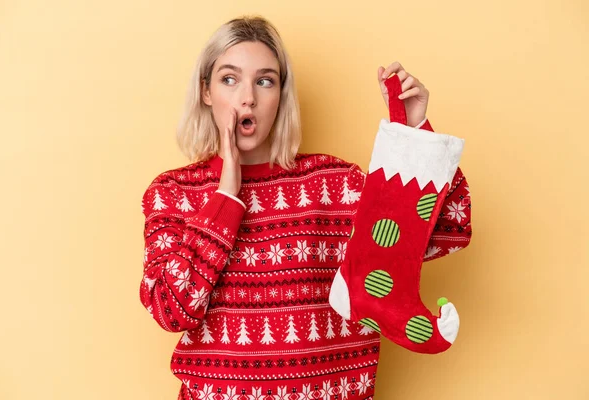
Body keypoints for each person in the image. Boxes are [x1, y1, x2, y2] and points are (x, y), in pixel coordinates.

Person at [139, 15, 472, 400]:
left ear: (281, 95)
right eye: (229, 79)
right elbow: (170, 310)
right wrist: (226, 195)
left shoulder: (338, 184)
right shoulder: (173, 193)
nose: (248, 97)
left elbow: (449, 228)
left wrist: (416, 134)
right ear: (206, 92)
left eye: (265, 81)